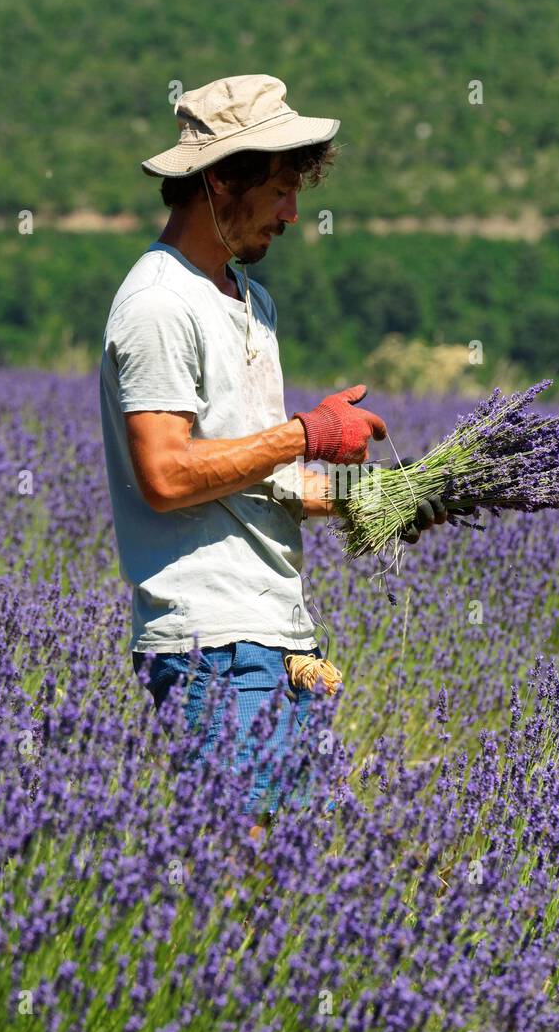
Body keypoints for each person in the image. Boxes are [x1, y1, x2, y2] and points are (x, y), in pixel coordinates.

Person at [99, 74, 445, 818]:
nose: (293, 214)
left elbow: (259, 476)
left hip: (280, 637)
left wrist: (383, 496)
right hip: (209, 646)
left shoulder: (250, 302)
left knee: (297, 875)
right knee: (245, 869)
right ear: (221, 179)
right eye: (281, 190)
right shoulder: (160, 305)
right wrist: (308, 431)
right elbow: (165, 473)